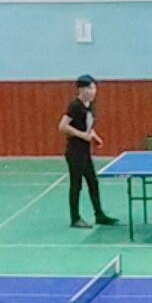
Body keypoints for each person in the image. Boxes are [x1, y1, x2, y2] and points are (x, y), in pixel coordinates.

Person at [58, 74, 118, 229]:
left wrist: (94, 137)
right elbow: (63, 126)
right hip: (74, 151)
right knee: (76, 184)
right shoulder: (75, 106)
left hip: (85, 151)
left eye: (94, 88)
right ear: (81, 89)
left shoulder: (90, 105)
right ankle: (75, 218)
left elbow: (87, 125)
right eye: (90, 88)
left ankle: (99, 215)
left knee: (93, 182)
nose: (93, 91)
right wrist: (82, 135)